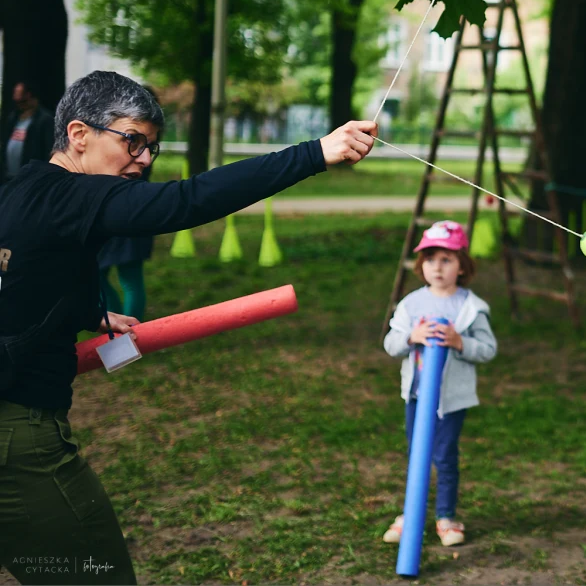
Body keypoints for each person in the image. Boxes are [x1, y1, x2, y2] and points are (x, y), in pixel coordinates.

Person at [0, 71, 376, 584]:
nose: (144, 160)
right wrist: (314, 153)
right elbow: (185, 201)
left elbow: (25, 268)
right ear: (79, 135)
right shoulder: (75, 196)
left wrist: (86, 314)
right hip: (18, 440)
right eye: (133, 141)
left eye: (152, 148)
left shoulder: (27, 187)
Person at [381, 220, 497, 548]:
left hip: (451, 401)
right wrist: (411, 337)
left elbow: (488, 350)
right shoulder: (411, 304)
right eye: (430, 259)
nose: (437, 267)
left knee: (444, 456)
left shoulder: (471, 308)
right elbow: (390, 344)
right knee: (416, 454)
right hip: (417, 397)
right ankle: (410, 513)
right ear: (421, 265)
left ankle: (445, 517)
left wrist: (460, 341)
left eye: (446, 259)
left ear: (462, 266)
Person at [96, 85, 160, 321]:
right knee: (99, 275)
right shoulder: (124, 135)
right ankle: (118, 324)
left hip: (132, 213)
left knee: (129, 277)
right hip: (114, 213)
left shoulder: (141, 141)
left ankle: (130, 333)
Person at [1, 81, 55, 183]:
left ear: (28, 95)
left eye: (19, 95)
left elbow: (47, 150)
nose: (16, 99)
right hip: (9, 178)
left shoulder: (44, 120)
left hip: (30, 179)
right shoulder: (13, 118)